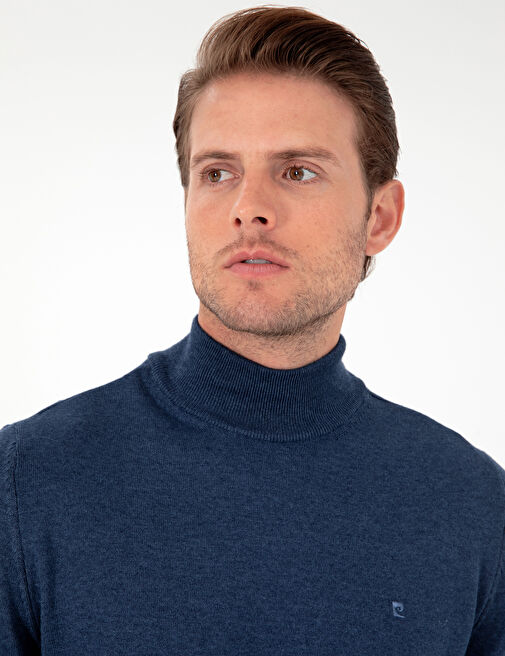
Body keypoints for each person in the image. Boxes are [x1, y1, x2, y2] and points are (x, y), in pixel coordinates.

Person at [1, 6, 504, 654]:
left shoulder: (471, 504)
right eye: (218, 173)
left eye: (297, 171)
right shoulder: (28, 483)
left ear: (379, 217)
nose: (248, 209)